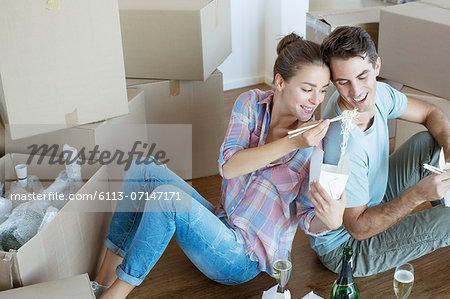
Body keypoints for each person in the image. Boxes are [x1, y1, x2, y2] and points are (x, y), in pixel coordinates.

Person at [92, 33, 344, 299]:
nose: (316, 100)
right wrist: (291, 144)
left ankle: (115, 295)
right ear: (280, 82)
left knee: (167, 202)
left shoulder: (313, 147)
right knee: (143, 169)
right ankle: (103, 280)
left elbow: (307, 218)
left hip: (243, 258)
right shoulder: (251, 104)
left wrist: (329, 220)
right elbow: (229, 167)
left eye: (323, 90)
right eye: (308, 89)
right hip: (220, 219)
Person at [304, 26, 450, 277]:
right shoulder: (344, 142)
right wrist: (418, 195)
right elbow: (357, 228)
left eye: (362, 76)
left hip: (372, 197)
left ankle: (443, 200)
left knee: (428, 143)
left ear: (377, 66)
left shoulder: (379, 95)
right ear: (333, 82)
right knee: (447, 222)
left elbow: (430, 113)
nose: (357, 92)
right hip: (346, 248)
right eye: (343, 82)